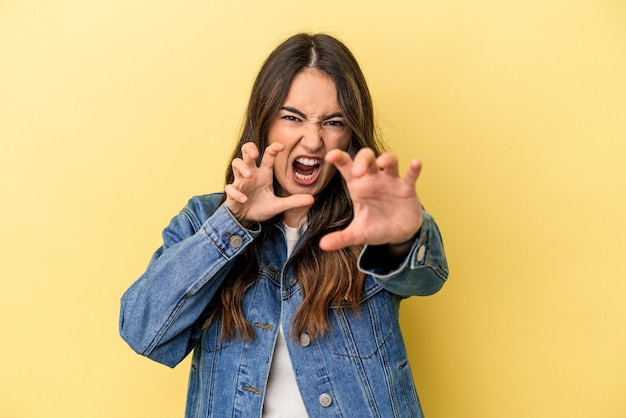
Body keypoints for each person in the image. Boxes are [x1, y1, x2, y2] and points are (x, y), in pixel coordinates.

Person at [119, 32, 449, 418]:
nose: (312, 140)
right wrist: (233, 222)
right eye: (292, 117)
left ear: (350, 134)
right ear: (265, 123)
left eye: (333, 121)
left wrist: (403, 238)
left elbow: (426, 279)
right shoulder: (204, 220)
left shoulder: (370, 217)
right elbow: (144, 331)